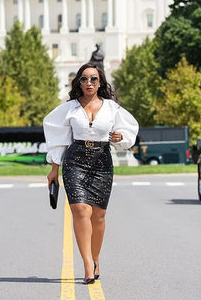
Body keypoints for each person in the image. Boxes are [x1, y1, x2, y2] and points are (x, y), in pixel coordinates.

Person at [43, 62, 138, 284]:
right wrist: (54, 169)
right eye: (84, 79)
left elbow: (129, 130)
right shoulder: (70, 109)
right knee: (79, 210)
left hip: (101, 161)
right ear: (78, 82)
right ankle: (87, 264)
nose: (89, 83)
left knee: (98, 216)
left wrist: (119, 137)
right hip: (75, 160)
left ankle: (95, 259)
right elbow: (57, 137)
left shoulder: (112, 108)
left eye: (94, 79)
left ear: (100, 83)